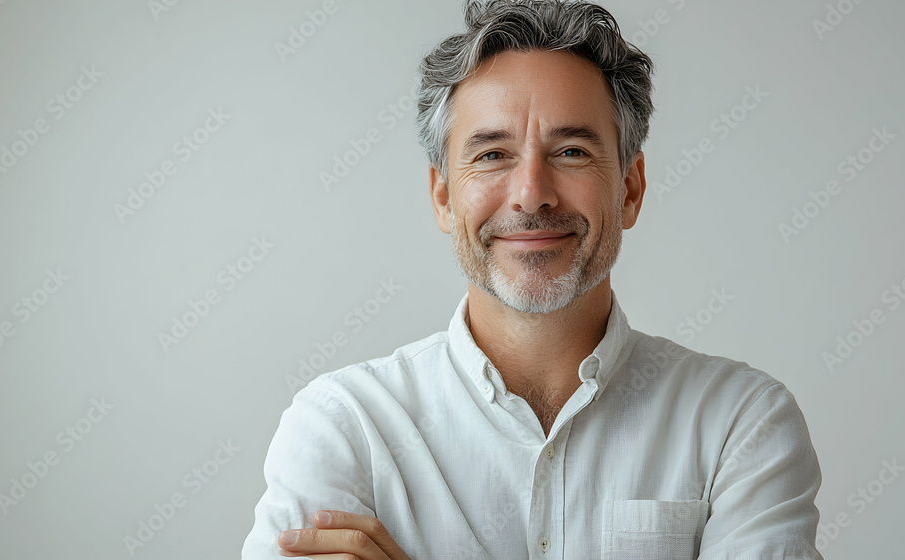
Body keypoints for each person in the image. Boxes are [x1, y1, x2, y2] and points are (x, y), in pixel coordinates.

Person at [241, 1, 823, 558]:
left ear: (630, 189)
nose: (530, 195)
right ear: (443, 197)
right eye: (492, 155)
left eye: (570, 151)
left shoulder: (739, 423)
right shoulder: (345, 427)